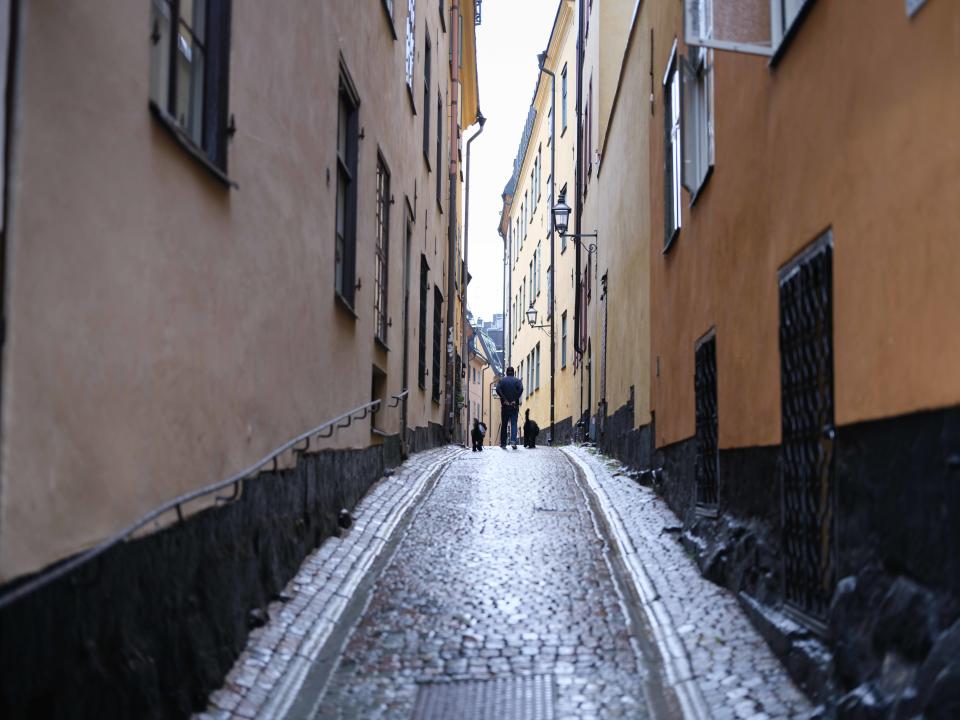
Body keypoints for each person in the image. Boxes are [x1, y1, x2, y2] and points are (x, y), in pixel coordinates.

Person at [496, 367, 523, 450]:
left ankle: (503, 443)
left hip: (505, 406)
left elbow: (497, 389)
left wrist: (504, 399)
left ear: (506, 372)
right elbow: (521, 389)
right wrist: (515, 399)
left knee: (504, 424)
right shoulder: (517, 381)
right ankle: (513, 442)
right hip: (514, 406)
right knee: (514, 424)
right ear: (513, 373)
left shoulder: (502, 381)